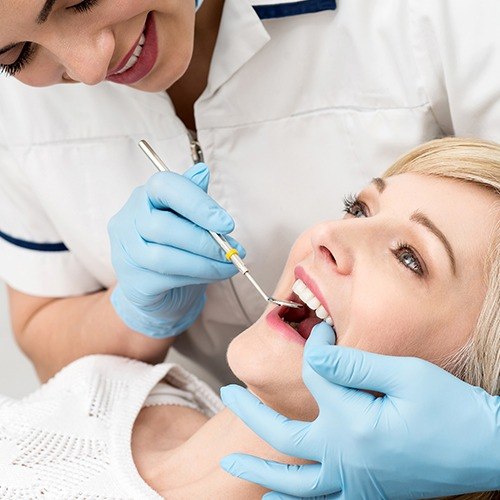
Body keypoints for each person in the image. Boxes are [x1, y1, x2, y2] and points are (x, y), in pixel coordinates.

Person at [0, 1, 500, 496]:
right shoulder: (98, 402)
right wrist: (131, 315)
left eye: (408, 257)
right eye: (17, 54)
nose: (89, 69)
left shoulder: (441, 17)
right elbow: (43, 324)